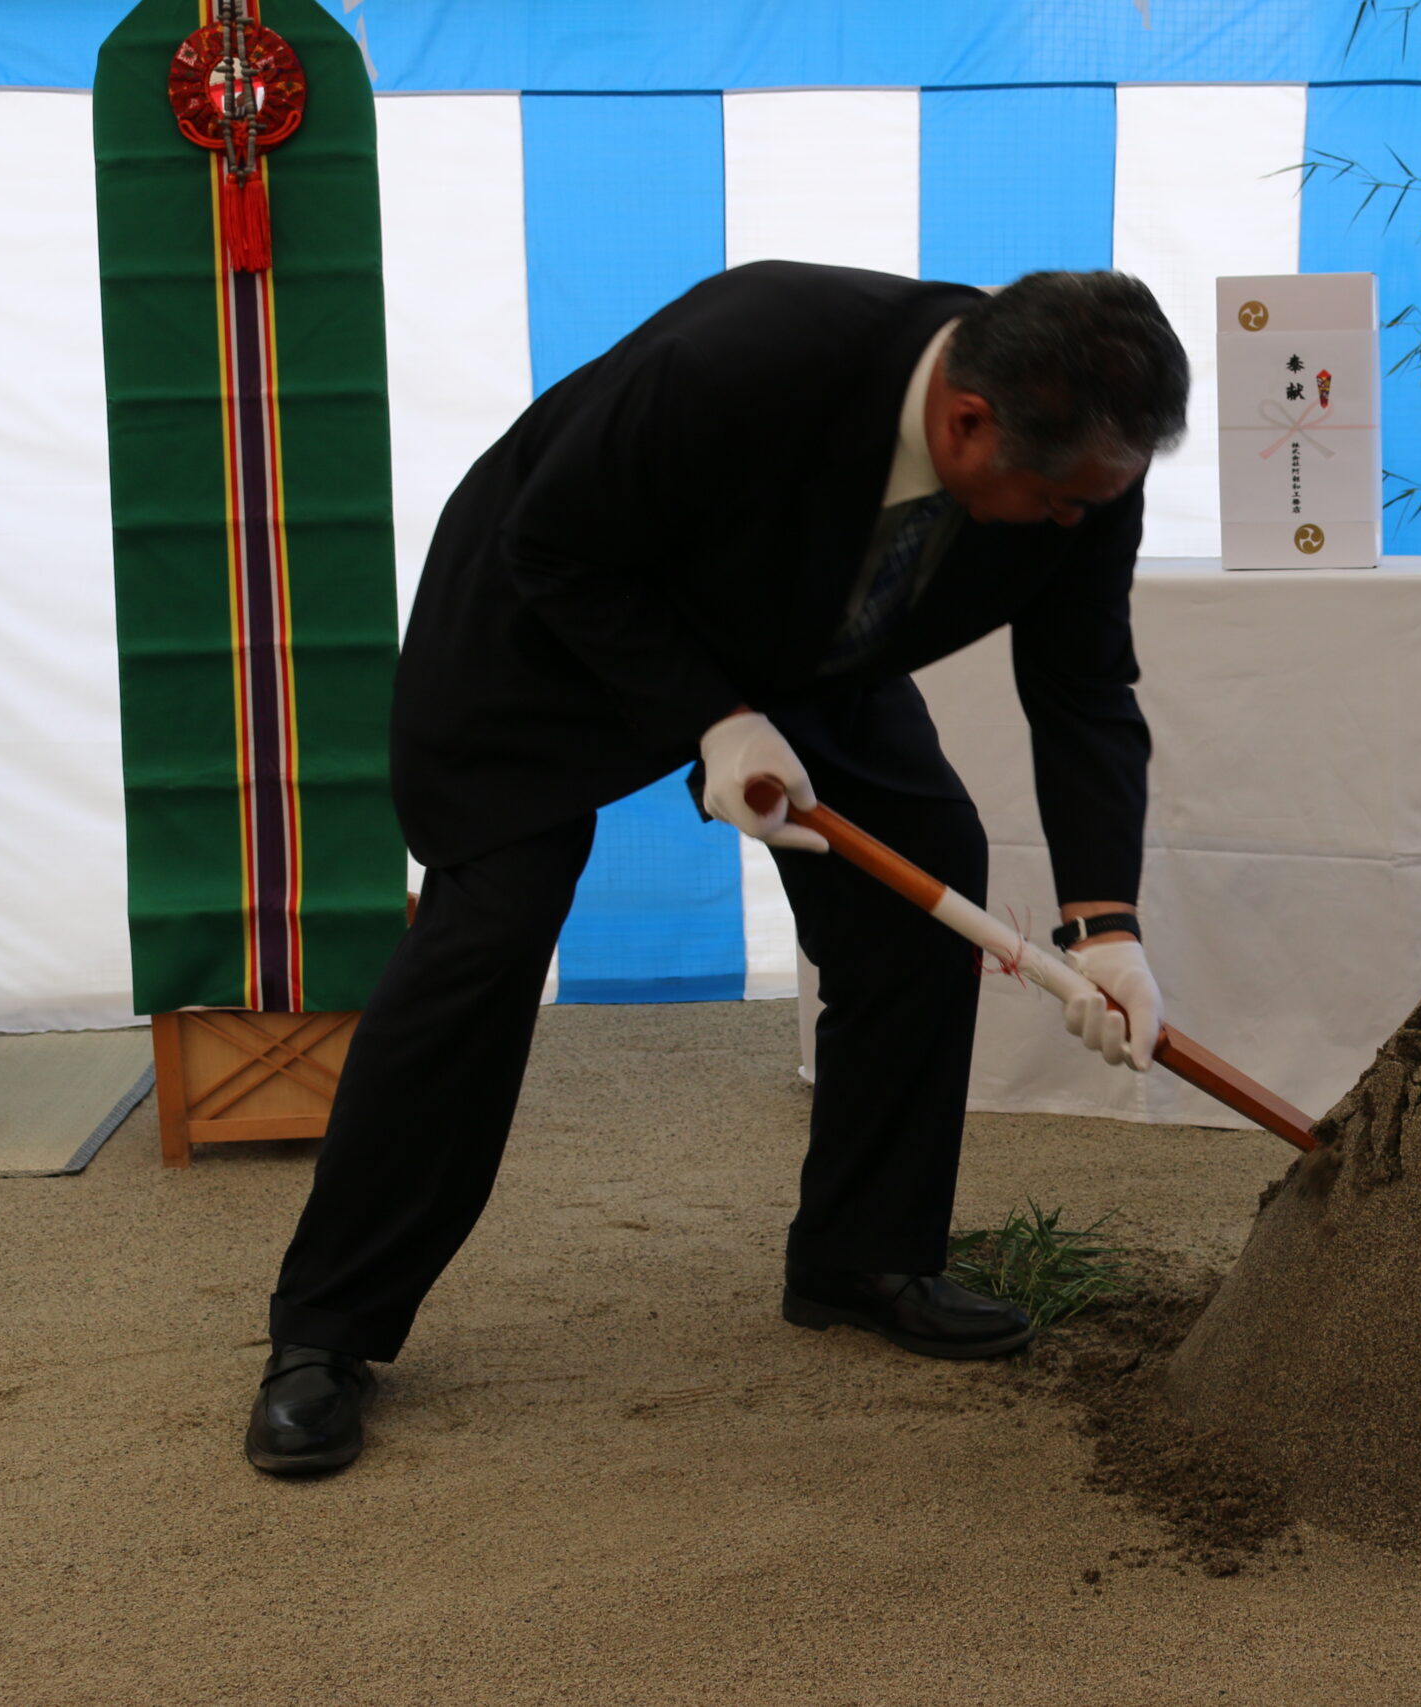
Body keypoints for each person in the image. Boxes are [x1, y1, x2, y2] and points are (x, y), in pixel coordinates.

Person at [243, 265, 1191, 1476]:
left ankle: (862, 1256)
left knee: (920, 883)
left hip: (808, 638)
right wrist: (711, 717)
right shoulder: (748, 353)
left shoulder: (1085, 468)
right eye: (1056, 503)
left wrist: (1102, 923)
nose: (1075, 525)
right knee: (489, 932)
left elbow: (1081, 689)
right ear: (966, 423)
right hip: (551, 621)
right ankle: (325, 1333)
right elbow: (558, 544)